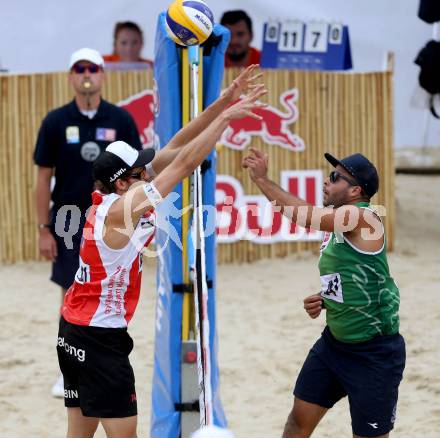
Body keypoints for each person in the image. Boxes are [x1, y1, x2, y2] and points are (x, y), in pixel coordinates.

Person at [57, 66, 266, 438]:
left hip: (73, 331)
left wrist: (224, 100)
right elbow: (186, 163)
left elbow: (175, 146)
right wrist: (227, 122)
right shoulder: (123, 210)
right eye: (140, 171)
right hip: (99, 339)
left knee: (79, 433)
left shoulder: (117, 195)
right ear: (122, 182)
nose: (148, 173)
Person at [243, 148, 405, 438]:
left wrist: (263, 179)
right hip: (335, 345)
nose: (326, 182)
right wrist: (326, 298)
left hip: (374, 353)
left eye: (335, 177)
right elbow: (354, 276)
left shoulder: (363, 217)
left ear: (355, 190)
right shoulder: (338, 229)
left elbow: (306, 217)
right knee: (297, 422)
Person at [34, 47, 142, 397]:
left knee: (110, 290)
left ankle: (103, 358)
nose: (87, 74)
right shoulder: (55, 121)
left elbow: (140, 174)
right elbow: (41, 178)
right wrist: (42, 229)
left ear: (102, 74)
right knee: (71, 290)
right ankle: (69, 369)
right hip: (68, 221)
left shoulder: (121, 119)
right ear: (70, 76)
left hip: (111, 219)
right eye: (79, 68)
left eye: (93, 68)